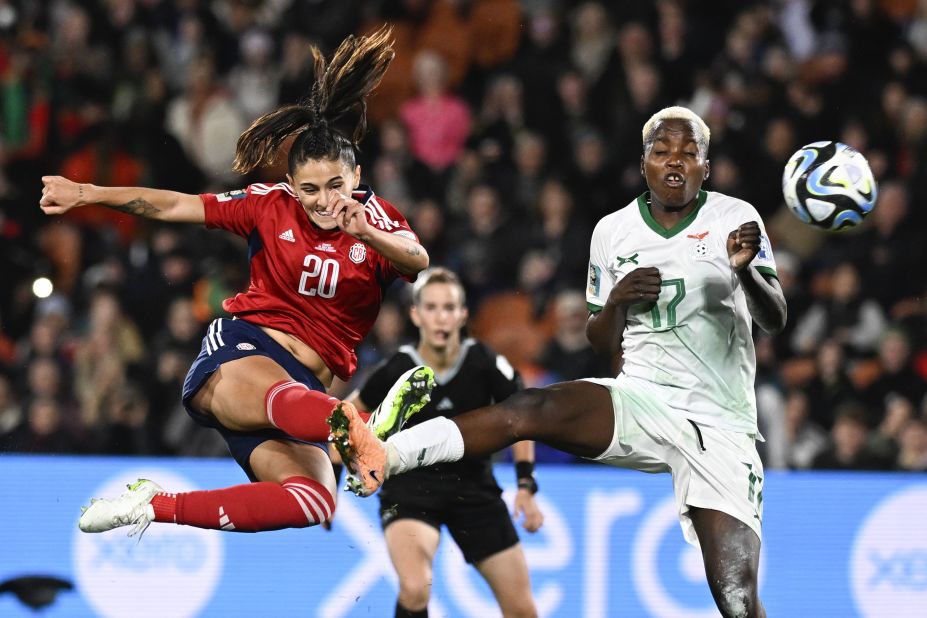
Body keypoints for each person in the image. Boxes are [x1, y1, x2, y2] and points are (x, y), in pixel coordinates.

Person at [331, 106, 786, 618]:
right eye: (662, 152)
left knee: (737, 600)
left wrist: (747, 274)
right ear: (644, 163)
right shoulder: (613, 232)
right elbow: (599, 340)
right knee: (529, 408)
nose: (675, 162)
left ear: (706, 165)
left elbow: (774, 317)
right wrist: (615, 302)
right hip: (644, 397)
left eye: (689, 154)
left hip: (720, 423)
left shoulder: (735, 218)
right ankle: (386, 456)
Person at [40, 28, 437, 537]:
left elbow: (417, 259)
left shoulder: (377, 217)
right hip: (243, 354)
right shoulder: (269, 203)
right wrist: (88, 192)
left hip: (306, 394)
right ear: (292, 185)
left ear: (356, 175)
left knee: (315, 503)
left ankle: (151, 507)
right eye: (310, 189)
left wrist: (367, 232)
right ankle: (359, 430)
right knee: (320, 414)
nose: (323, 200)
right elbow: (177, 204)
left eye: (336, 185)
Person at [343, 267, 542, 618]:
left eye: (449, 308)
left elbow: (522, 418)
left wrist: (525, 485)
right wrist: (338, 468)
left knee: (523, 611)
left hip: (475, 491)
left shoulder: (484, 362)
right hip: (410, 491)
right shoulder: (397, 368)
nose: (441, 317)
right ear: (416, 314)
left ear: (463, 314)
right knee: (416, 588)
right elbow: (350, 417)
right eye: (431, 307)